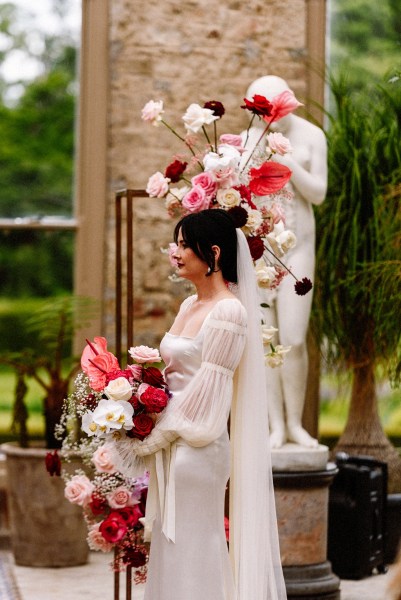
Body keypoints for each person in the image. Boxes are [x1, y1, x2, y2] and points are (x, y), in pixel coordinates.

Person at [111, 208, 287, 600]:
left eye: (185, 244)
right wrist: (133, 400)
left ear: (214, 253)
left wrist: (152, 436)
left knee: (195, 545)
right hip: (172, 442)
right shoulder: (189, 306)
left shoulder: (229, 312)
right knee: (171, 548)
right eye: (176, 243)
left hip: (198, 450)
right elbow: (171, 377)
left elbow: (208, 401)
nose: (175, 252)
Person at [242, 75, 328, 449]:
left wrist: (287, 159)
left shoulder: (311, 136)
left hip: (299, 248)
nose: (268, 120)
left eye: (272, 111)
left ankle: (295, 422)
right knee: (266, 341)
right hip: (261, 250)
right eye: (260, 113)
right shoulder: (249, 138)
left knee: (293, 337)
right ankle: (275, 424)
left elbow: (319, 194)